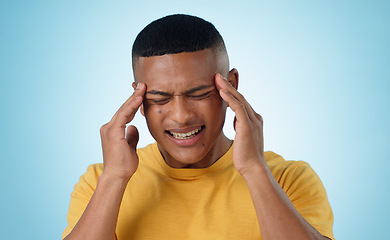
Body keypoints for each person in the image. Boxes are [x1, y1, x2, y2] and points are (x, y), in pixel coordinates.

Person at [62, 14, 334, 240]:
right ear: (138, 99)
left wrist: (254, 169)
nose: (180, 116)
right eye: (160, 98)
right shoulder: (100, 183)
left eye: (199, 94)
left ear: (232, 86)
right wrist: (114, 179)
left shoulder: (290, 180)